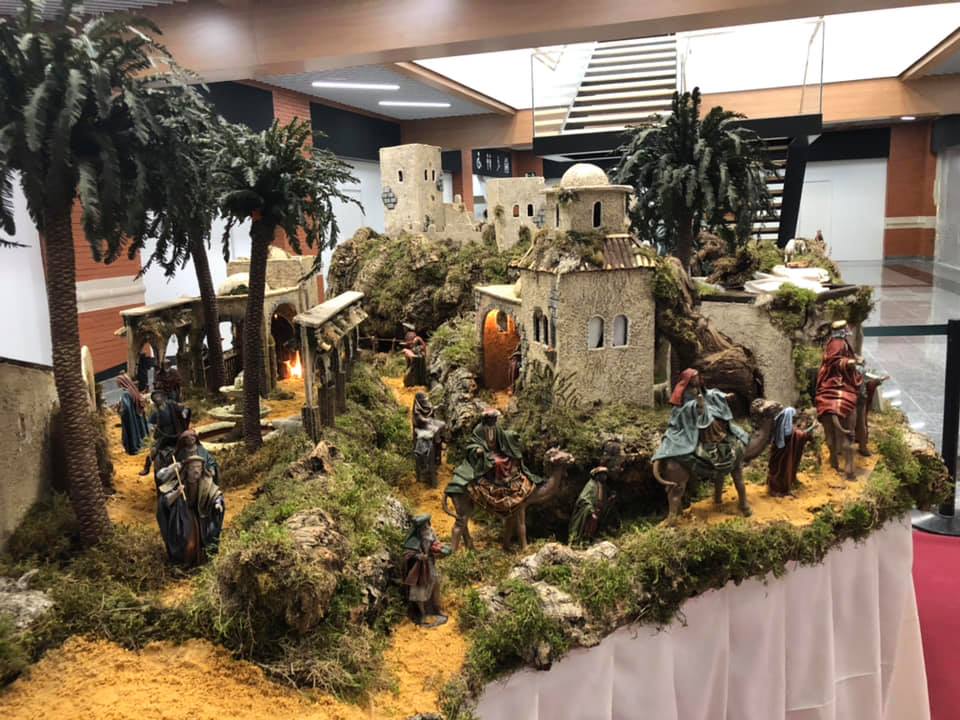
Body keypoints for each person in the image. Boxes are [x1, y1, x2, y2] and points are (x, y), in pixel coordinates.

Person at [449, 408, 542, 513]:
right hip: (487, 453)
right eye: (493, 418)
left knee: (508, 458)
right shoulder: (479, 429)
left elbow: (503, 435)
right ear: (487, 419)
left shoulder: (496, 427)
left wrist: (511, 434)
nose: (495, 420)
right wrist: (478, 449)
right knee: (498, 462)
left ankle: (507, 478)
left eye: (495, 418)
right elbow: (474, 442)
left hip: (497, 451)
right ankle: (497, 480)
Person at [156, 456, 225, 566]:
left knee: (203, 542)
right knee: (188, 544)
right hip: (183, 516)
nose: (196, 470)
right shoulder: (179, 482)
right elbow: (165, 502)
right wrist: (176, 493)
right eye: (193, 467)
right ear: (187, 469)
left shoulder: (206, 482)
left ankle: (201, 562)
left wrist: (218, 503)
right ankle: (183, 564)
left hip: (201, 516)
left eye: (199, 467)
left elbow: (216, 494)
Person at [402, 514, 448, 628]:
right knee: (419, 591)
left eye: (427, 524)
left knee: (435, 584)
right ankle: (422, 614)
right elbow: (407, 553)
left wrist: (439, 549)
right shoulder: (414, 538)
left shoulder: (431, 532)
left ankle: (437, 609)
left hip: (430, 565)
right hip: (419, 569)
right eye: (424, 526)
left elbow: (435, 543)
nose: (427, 527)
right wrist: (419, 556)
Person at [140, 389, 191, 477]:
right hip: (163, 436)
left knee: (191, 442)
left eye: (159, 396)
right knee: (154, 451)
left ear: (163, 397)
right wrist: (151, 427)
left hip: (177, 432)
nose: (158, 398)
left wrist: (184, 412)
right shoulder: (155, 411)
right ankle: (147, 467)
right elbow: (150, 422)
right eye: (156, 397)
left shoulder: (171, 404)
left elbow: (183, 408)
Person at [767, 406, 815, 496]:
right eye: (791, 417)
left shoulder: (780, 427)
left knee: (776, 470)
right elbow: (795, 434)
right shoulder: (787, 431)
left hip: (777, 453)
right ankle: (779, 490)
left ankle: (773, 489)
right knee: (782, 471)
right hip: (783, 456)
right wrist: (809, 430)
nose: (792, 419)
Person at [568, 466, 616, 546]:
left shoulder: (603, 486)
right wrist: (590, 509)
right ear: (597, 475)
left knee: (599, 522)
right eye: (602, 474)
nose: (604, 476)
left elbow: (604, 498)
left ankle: (593, 537)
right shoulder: (591, 485)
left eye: (605, 474)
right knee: (592, 520)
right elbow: (583, 498)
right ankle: (584, 539)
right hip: (591, 509)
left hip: (600, 510)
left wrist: (611, 498)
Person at [413, 392, 446, 487]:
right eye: (423, 400)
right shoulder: (416, 411)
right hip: (422, 429)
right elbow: (420, 420)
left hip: (429, 425)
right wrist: (429, 421)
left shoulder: (426, 406)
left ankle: (440, 443)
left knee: (442, 425)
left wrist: (437, 407)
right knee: (435, 429)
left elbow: (430, 410)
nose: (425, 401)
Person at [114, 373, 149, 455]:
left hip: (131, 419)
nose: (117, 384)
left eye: (118, 382)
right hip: (137, 416)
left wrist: (119, 408)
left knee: (133, 432)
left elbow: (125, 409)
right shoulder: (133, 390)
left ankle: (134, 447)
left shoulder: (125, 394)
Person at [401, 323, 428, 387]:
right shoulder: (410, 337)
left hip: (417, 358)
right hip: (415, 357)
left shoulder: (416, 339)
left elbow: (422, 347)